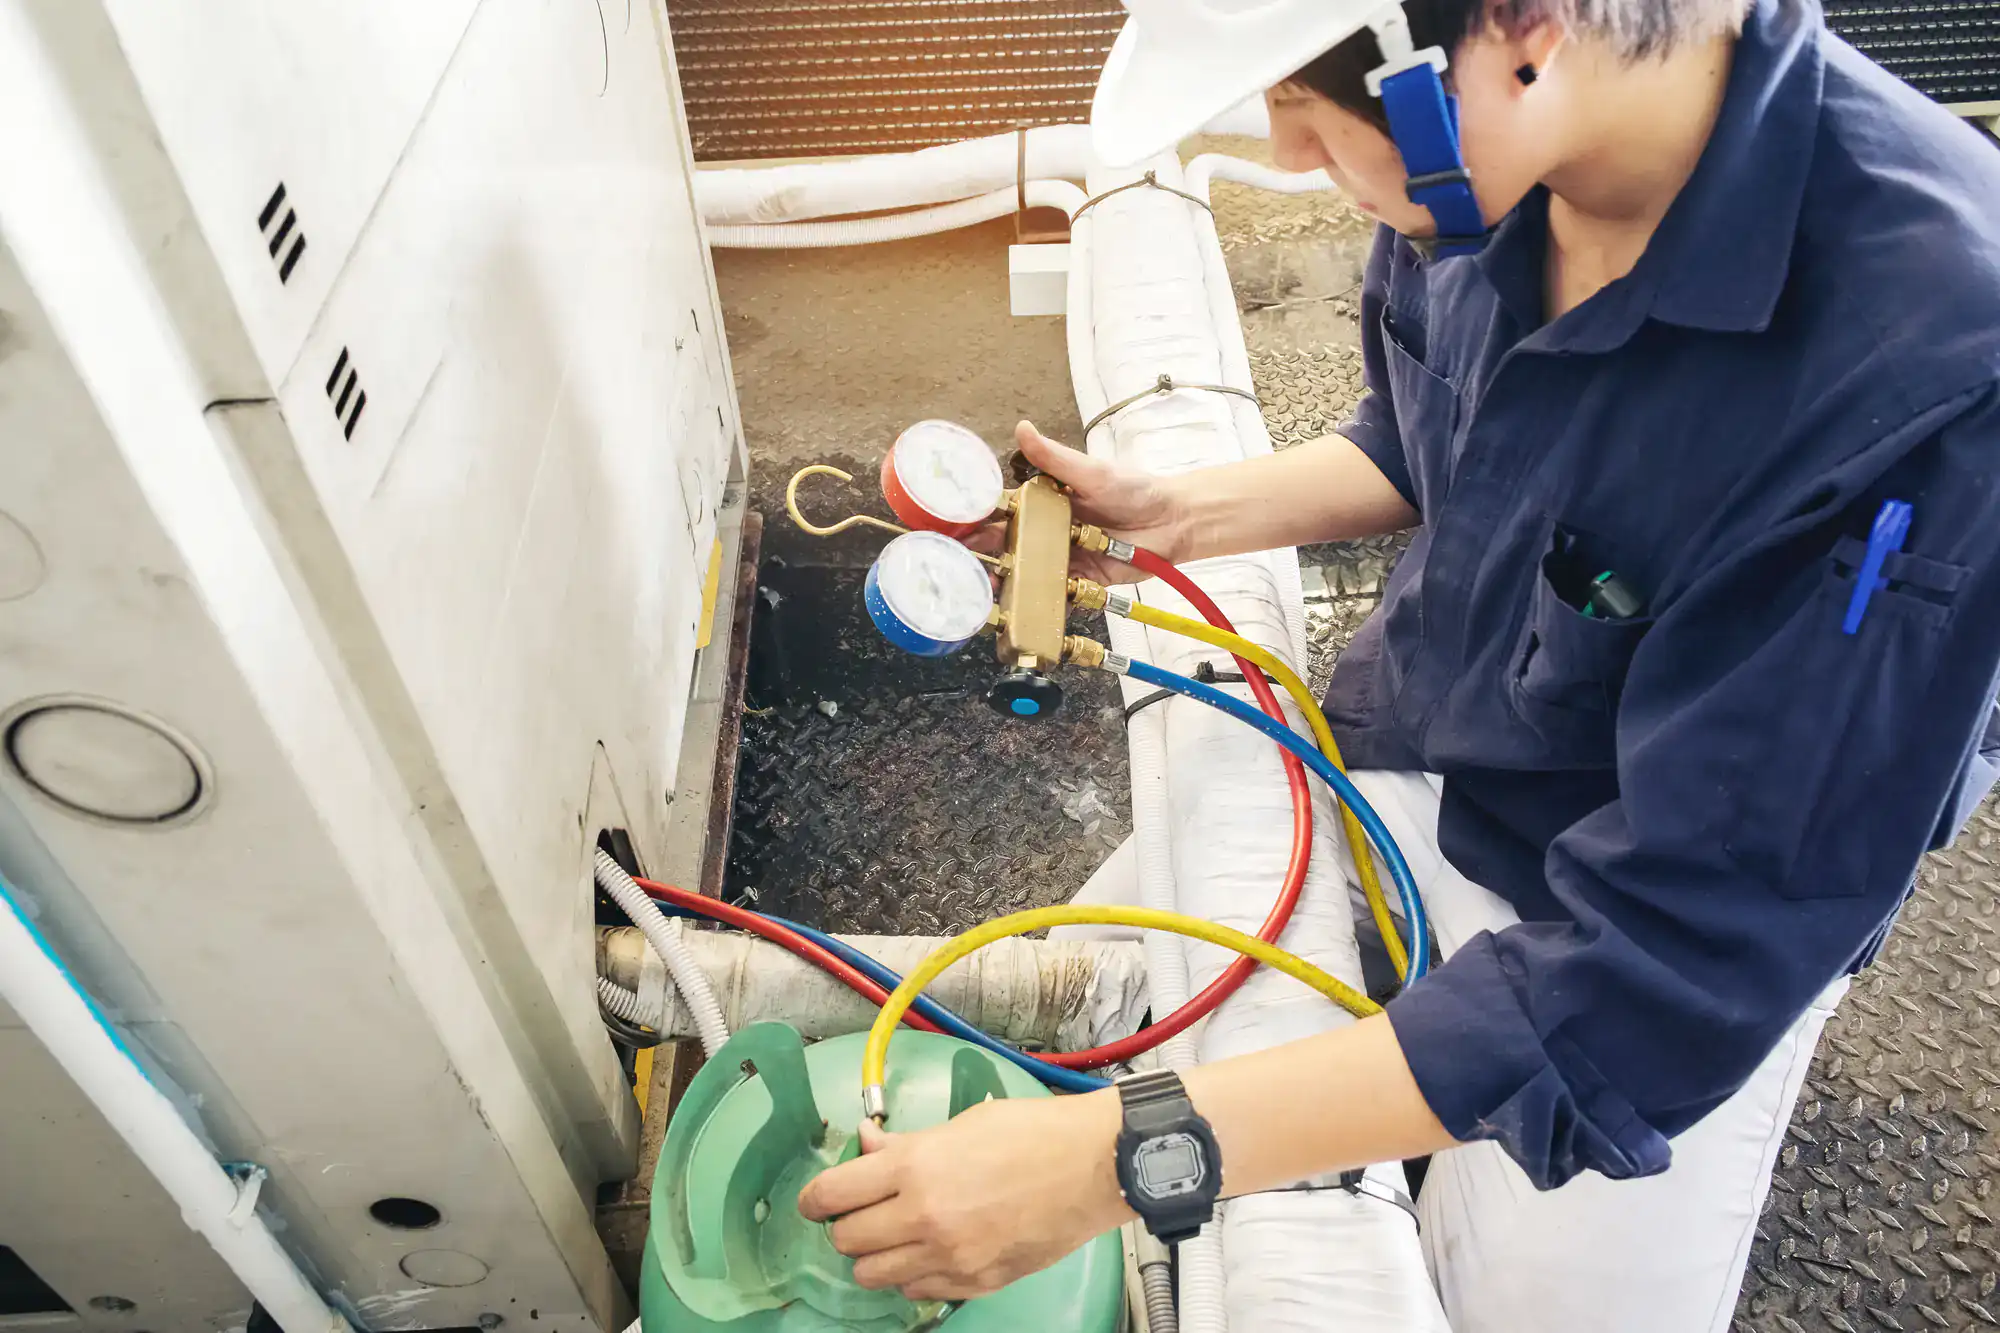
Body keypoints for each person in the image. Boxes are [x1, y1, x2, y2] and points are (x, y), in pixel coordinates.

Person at [798, 0, 2000, 1327]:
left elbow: (1674, 970)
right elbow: (1425, 428)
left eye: (1310, 108)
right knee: (1107, 998)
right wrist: (1182, 515)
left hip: (1645, 918)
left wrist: (1111, 1163)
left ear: (1525, 32)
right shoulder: (1476, 162)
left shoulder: (1933, 367)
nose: (1290, 152)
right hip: (1421, 738)